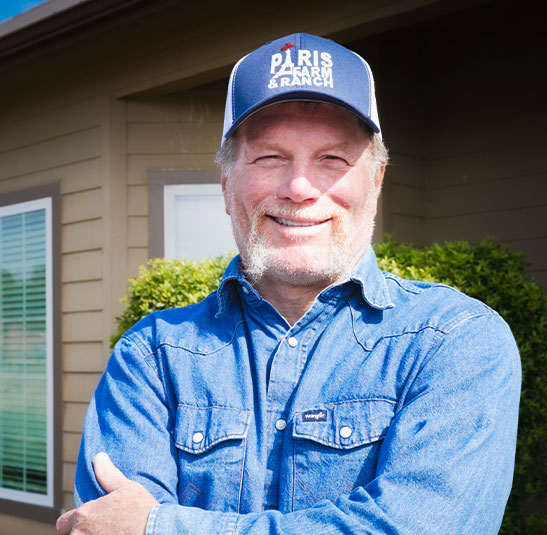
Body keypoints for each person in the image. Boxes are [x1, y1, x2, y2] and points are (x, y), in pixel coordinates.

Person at [56, 32, 521, 535]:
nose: (299, 188)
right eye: (270, 158)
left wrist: (159, 527)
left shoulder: (455, 341)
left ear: (377, 180)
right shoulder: (151, 356)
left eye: (332, 160)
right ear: (227, 185)